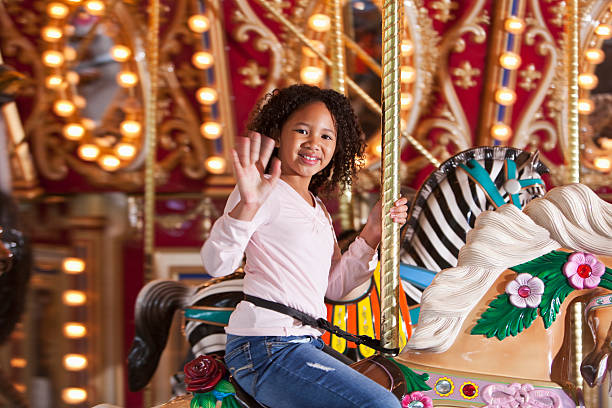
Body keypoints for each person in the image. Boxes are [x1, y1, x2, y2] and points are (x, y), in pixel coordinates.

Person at [200, 84, 407, 408]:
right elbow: (217, 265)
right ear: (278, 135)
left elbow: (334, 288)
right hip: (265, 346)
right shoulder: (259, 193)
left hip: (303, 342)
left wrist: (371, 234)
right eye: (302, 130)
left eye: (327, 136)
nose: (314, 143)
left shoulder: (316, 208)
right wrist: (248, 205)